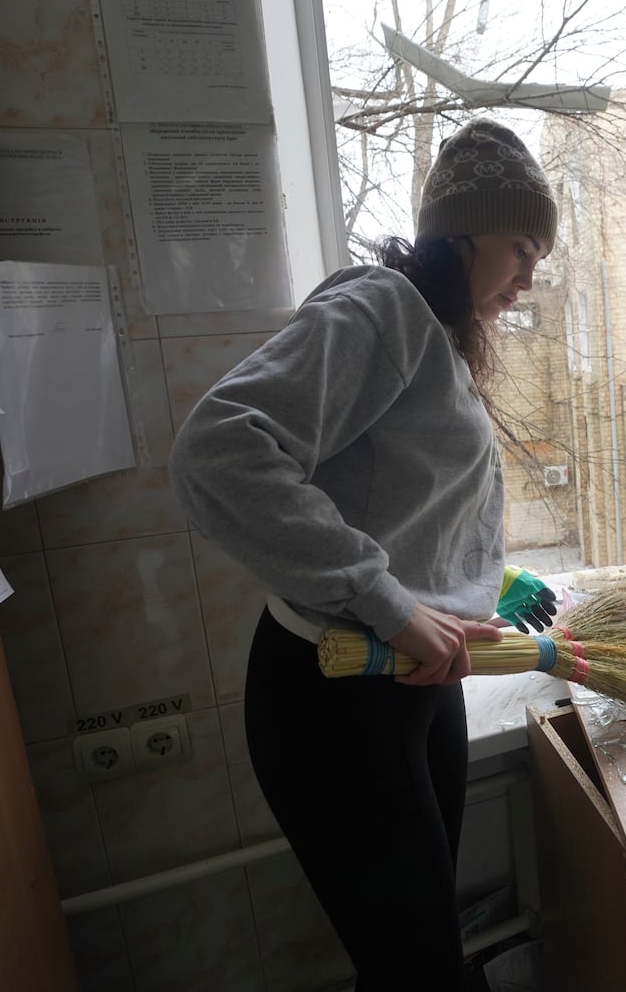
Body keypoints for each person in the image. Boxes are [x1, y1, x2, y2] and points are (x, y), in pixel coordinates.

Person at [168, 117, 559, 990]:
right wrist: (394, 604)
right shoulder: (383, 310)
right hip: (337, 693)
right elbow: (218, 449)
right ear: (460, 234)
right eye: (520, 246)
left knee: (423, 956)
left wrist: (472, 582)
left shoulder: (438, 337)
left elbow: (399, 498)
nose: (532, 275)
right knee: (416, 971)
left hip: (416, 681)